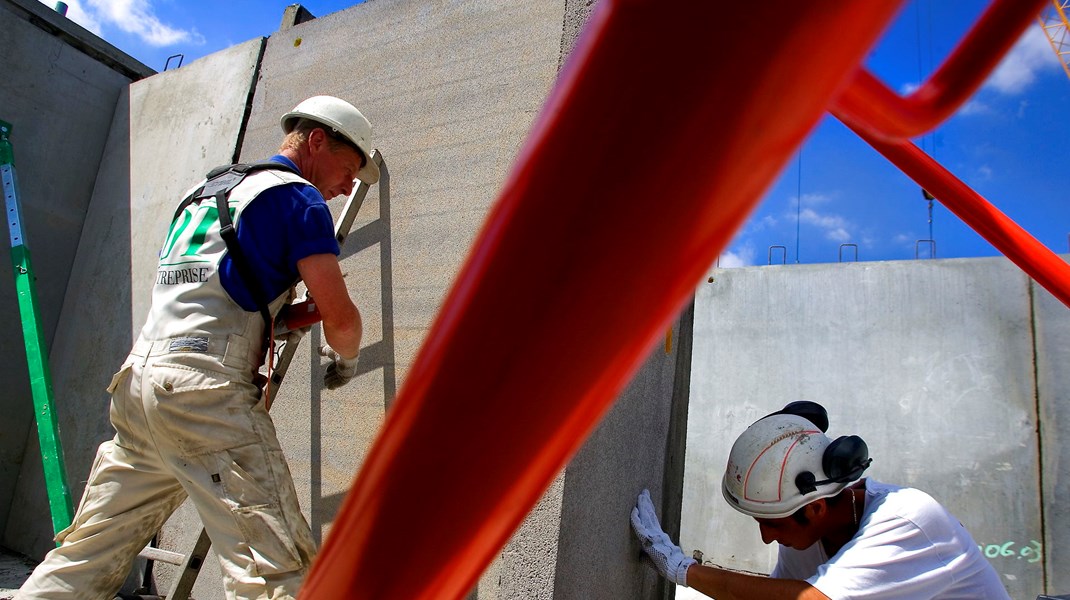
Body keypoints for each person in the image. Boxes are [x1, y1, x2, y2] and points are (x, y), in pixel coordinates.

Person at [17, 95, 379, 600]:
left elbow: (216, 291)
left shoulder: (206, 192)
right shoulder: (298, 198)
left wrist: (281, 317)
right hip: (204, 395)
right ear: (317, 140)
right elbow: (343, 321)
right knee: (273, 569)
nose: (345, 188)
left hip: (140, 384)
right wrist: (348, 357)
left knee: (86, 555)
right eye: (346, 170)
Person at [630, 401, 1011, 599]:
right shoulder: (810, 534)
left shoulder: (909, 519)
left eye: (771, 523)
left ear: (815, 507)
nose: (765, 537)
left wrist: (680, 568)